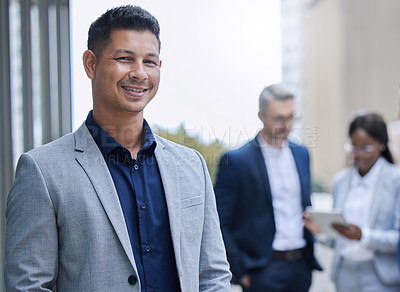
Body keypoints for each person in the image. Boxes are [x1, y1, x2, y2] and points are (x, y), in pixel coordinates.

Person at [5, 5, 231, 291]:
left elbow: (212, 275)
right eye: (125, 59)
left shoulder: (191, 165)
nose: (139, 73)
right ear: (91, 64)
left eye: (150, 62)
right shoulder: (42, 171)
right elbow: (27, 286)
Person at [214, 84, 321, 292]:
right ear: (261, 115)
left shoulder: (302, 154)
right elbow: (220, 222)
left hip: (301, 267)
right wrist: (241, 271)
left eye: (291, 117)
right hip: (261, 271)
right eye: (279, 118)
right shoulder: (236, 161)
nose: (286, 125)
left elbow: (305, 206)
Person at [304, 112, 400, 291]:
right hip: (344, 274)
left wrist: (363, 236)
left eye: (366, 147)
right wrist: (322, 232)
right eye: (354, 147)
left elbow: (397, 238)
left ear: (381, 144)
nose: (358, 155)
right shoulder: (341, 180)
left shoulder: (395, 180)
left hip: (380, 276)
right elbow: (336, 239)